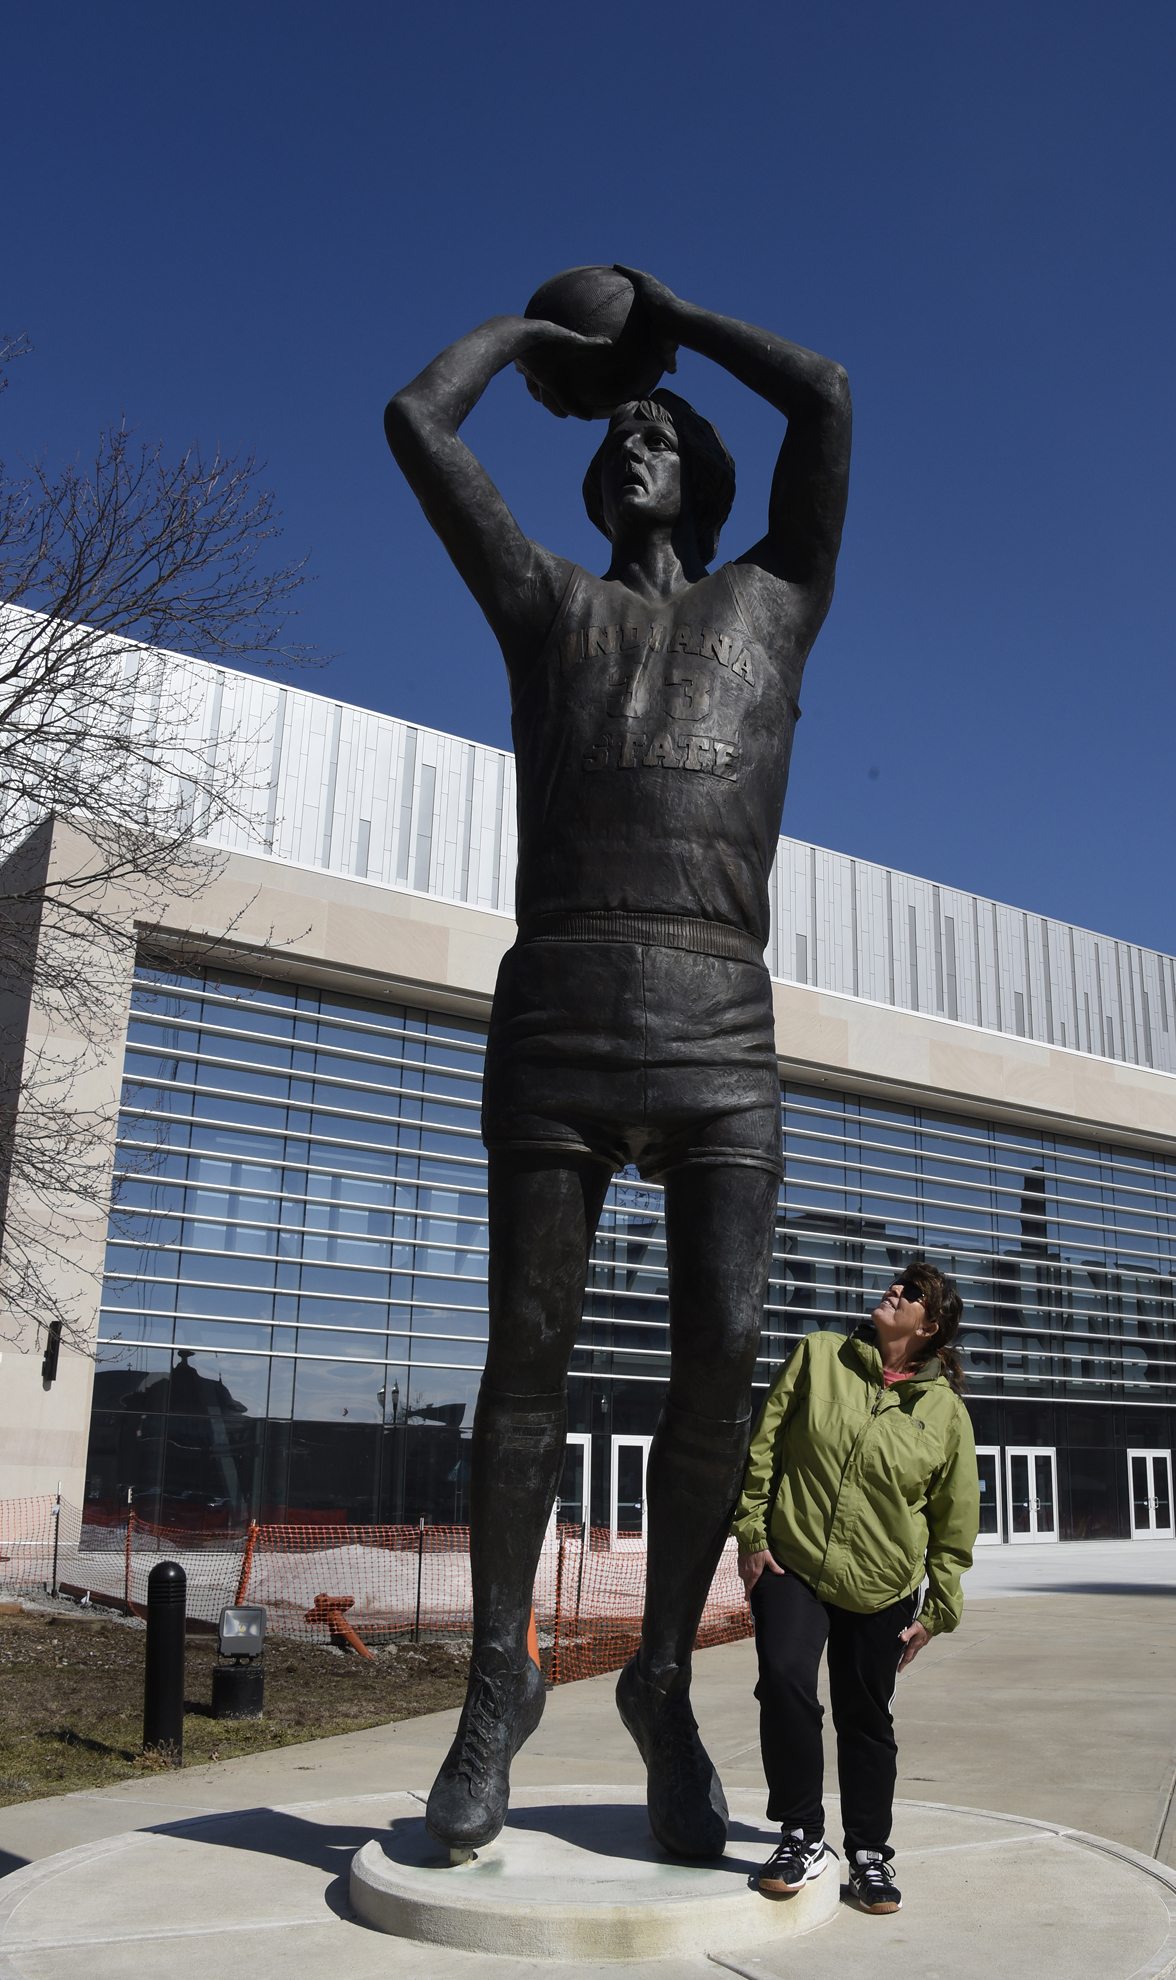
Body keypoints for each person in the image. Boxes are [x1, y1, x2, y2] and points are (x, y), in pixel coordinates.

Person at [384, 269, 850, 1856]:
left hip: (719, 1013)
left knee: (719, 1353)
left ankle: (662, 1677)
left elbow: (828, 396)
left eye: (665, 434)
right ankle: (493, 1691)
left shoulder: (776, 598)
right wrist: (546, 346)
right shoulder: (545, 607)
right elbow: (417, 423)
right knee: (529, 1361)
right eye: (623, 432)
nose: (641, 443)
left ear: (706, 480)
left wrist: (670, 318)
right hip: (566, 1006)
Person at [733, 1262, 979, 1912]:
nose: (895, 1289)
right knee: (784, 1679)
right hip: (796, 1563)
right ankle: (801, 1835)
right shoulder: (819, 1355)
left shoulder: (945, 1413)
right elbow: (765, 1448)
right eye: (900, 1282)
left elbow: (954, 1520)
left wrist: (941, 1607)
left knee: (866, 1720)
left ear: (929, 1326)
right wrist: (753, 1535)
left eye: (913, 1293)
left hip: (883, 1586)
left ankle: (869, 1854)